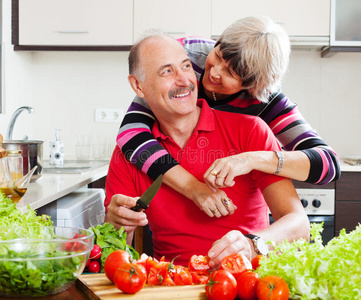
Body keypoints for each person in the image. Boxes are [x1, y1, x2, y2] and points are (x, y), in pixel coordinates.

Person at [105, 34, 310, 267]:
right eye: (167, 72)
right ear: (138, 85)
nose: (184, 80)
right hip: (175, 285)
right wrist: (116, 224)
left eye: (186, 66)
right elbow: (113, 251)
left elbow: (299, 225)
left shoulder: (250, 131)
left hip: (246, 281)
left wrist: (253, 245)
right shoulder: (128, 153)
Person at [116, 16, 341, 217]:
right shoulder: (189, 57)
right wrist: (195, 189)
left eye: (230, 73)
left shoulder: (265, 98)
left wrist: (252, 159)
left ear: (252, 86)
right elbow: (130, 133)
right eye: (218, 55)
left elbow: (328, 164)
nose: (213, 72)